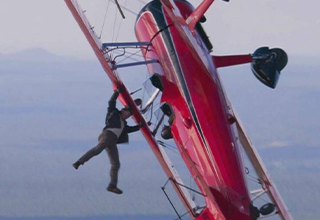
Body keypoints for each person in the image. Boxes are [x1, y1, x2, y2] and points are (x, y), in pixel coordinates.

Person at [72, 88, 142, 194]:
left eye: (129, 115)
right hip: (107, 135)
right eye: (126, 112)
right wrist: (117, 92)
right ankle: (78, 162)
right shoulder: (113, 113)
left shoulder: (124, 124)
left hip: (112, 141)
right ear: (122, 110)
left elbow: (130, 130)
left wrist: (141, 126)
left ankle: (112, 185)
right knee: (98, 149)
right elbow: (111, 102)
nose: (127, 115)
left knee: (116, 164)